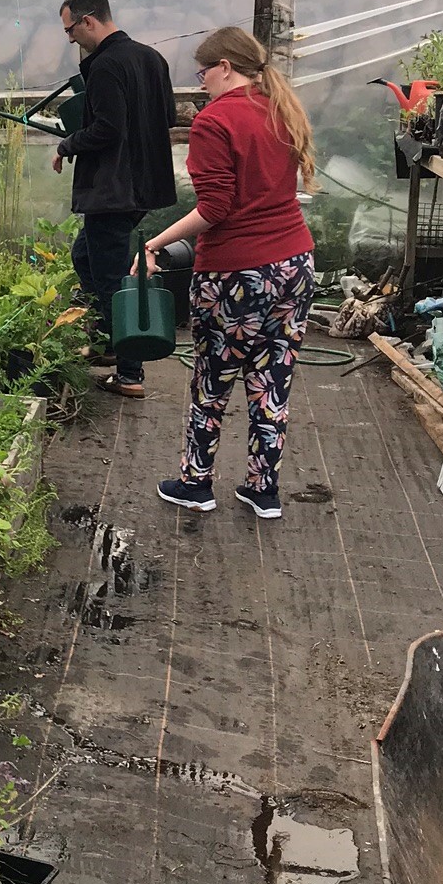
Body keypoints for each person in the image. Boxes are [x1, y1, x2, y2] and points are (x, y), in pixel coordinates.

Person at [144, 26, 316, 520]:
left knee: (212, 379)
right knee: (271, 380)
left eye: (203, 72)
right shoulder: (279, 107)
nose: (201, 84)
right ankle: (263, 491)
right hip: (295, 266)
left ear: (224, 67)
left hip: (237, 274)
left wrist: (155, 243)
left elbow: (215, 208)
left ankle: (196, 484)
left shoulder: (215, 122)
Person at [53, 0, 177, 397]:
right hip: (144, 184)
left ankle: (129, 372)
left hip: (112, 188)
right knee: (84, 255)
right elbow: (169, 115)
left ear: (89, 21)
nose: (71, 39)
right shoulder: (151, 58)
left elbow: (108, 128)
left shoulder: (106, 65)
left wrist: (66, 144)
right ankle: (111, 341)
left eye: (71, 30)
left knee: (109, 277)